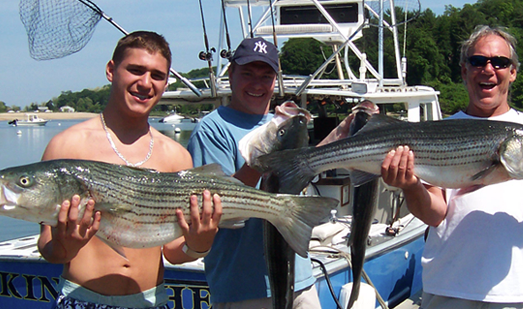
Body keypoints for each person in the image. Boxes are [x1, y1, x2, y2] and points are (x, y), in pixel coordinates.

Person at [380, 25, 523, 309]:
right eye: (477, 61)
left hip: (518, 292)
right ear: (464, 71)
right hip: (447, 286)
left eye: (500, 62)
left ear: (513, 72)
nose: (488, 69)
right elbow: (435, 214)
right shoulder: (440, 130)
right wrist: (410, 185)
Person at [37, 31, 223, 309]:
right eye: (135, 70)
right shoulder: (67, 146)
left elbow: (174, 253)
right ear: (112, 70)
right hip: (81, 299)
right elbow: (48, 247)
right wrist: (67, 246)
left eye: (157, 75)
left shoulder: (176, 156)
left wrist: (199, 245)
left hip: (151, 301)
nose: (145, 83)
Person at [186, 37, 321, 308]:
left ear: (275, 80)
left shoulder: (282, 128)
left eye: (266, 75)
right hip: (243, 289)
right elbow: (219, 205)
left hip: (301, 281)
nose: (257, 84)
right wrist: (260, 159)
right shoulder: (212, 130)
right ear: (232, 74)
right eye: (247, 73)